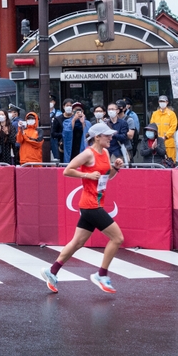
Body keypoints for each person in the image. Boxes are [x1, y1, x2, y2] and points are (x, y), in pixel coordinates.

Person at [40, 122, 126, 294]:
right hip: (91, 204)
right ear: (97, 137)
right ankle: (101, 274)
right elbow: (67, 170)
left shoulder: (106, 152)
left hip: (95, 203)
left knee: (77, 242)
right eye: (107, 135)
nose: (111, 137)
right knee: (117, 238)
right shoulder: (88, 154)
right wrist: (86, 174)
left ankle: (52, 271)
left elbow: (106, 177)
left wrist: (115, 167)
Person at [149, 95, 178, 161]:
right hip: (157, 142)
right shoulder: (155, 114)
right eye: (160, 101)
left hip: (168, 143)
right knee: (158, 162)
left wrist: (166, 136)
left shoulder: (171, 114)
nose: (162, 102)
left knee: (170, 162)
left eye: (163, 101)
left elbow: (173, 127)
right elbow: (151, 127)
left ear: (167, 102)